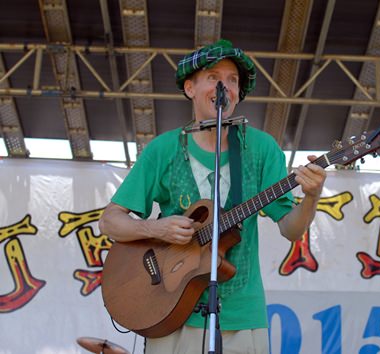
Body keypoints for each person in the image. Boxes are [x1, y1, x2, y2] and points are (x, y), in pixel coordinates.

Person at [99, 39, 326, 354]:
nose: (226, 87)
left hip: (243, 314)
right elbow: (110, 221)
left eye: (233, 81)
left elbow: (291, 229)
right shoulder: (163, 149)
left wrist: (312, 196)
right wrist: (157, 229)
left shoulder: (261, 148)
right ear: (190, 87)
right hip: (170, 311)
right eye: (214, 77)